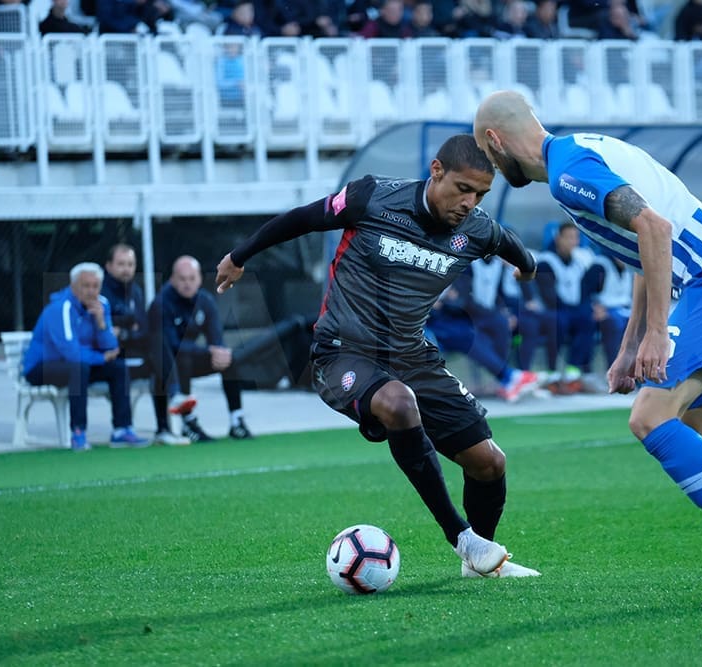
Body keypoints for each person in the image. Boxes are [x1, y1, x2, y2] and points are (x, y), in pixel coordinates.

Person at [474, 91, 702, 608]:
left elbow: (655, 230)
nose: (491, 166)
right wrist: (629, 347)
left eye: (487, 158)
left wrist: (658, 332)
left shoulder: (571, 169)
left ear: (494, 140)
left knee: (649, 417)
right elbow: (645, 250)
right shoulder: (578, 155)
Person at [214, 134, 540, 578]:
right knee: (398, 403)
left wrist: (526, 266)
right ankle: (462, 538)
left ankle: (480, 563)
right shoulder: (372, 197)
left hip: (412, 356)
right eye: (464, 189)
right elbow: (302, 219)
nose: (470, 202)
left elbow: (509, 244)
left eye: (481, 194)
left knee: (489, 463)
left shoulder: (476, 228)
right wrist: (238, 255)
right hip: (341, 353)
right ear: (437, 171)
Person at [23, 263, 149, 451]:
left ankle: (122, 430)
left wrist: (101, 324)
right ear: (73, 286)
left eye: (95, 286)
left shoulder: (102, 304)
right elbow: (71, 353)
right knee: (78, 368)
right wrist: (101, 358)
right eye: (86, 286)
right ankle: (78, 432)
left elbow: (111, 347)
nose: (91, 291)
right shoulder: (61, 308)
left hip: (81, 365)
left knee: (118, 367)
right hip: (42, 367)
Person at [149, 255, 254, 443]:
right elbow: (171, 345)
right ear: (172, 279)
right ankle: (188, 423)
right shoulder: (161, 303)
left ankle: (236, 421)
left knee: (229, 359)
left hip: (191, 357)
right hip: (166, 363)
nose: (187, 283)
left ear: (199, 279)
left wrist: (219, 352)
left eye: (192, 278)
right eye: (182, 279)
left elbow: (216, 339)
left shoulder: (205, 301)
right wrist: (208, 352)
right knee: (182, 359)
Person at [101, 244, 192, 446]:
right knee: (157, 348)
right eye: (121, 264)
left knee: (159, 354)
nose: (126, 269)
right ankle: (174, 394)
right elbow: (104, 332)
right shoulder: (101, 292)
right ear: (108, 266)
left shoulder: (136, 291)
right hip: (110, 359)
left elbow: (143, 328)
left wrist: (124, 329)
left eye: (130, 264)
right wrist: (127, 327)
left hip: (132, 353)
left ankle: (164, 429)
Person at [426, 261, 540, 401]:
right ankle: (509, 377)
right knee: (468, 334)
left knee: (499, 325)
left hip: (446, 318)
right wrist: (433, 303)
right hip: (423, 324)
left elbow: (458, 298)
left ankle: (508, 380)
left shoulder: (493, 267)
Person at [535, 221, 603, 393]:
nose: (574, 242)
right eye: (569, 237)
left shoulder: (579, 261)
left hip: (572, 308)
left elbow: (584, 290)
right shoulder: (545, 261)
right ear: (558, 239)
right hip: (552, 309)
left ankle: (574, 371)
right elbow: (549, 296)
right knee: (559, 320)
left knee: (587, 319)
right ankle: (552, 374)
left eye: (576, 238)